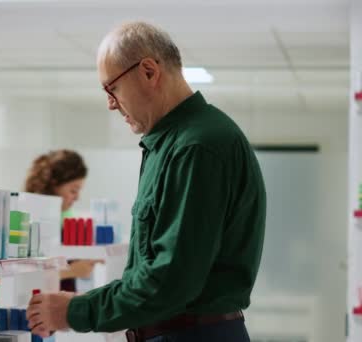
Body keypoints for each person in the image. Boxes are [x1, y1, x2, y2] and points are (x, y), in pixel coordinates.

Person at [26, 22, 266, 342]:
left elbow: (170, 282)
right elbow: (150, 273)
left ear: (149, 72)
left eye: (111, 88)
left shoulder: (197, 147)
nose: (110, 103)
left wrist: (74, 312)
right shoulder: (168, 144)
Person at [24, 149, 100, 288]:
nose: (77, 198)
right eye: (73, 190)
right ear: (54, 184)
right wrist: (72, 271)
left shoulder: (63, 220)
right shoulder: (28, 222)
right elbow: (23, 277)